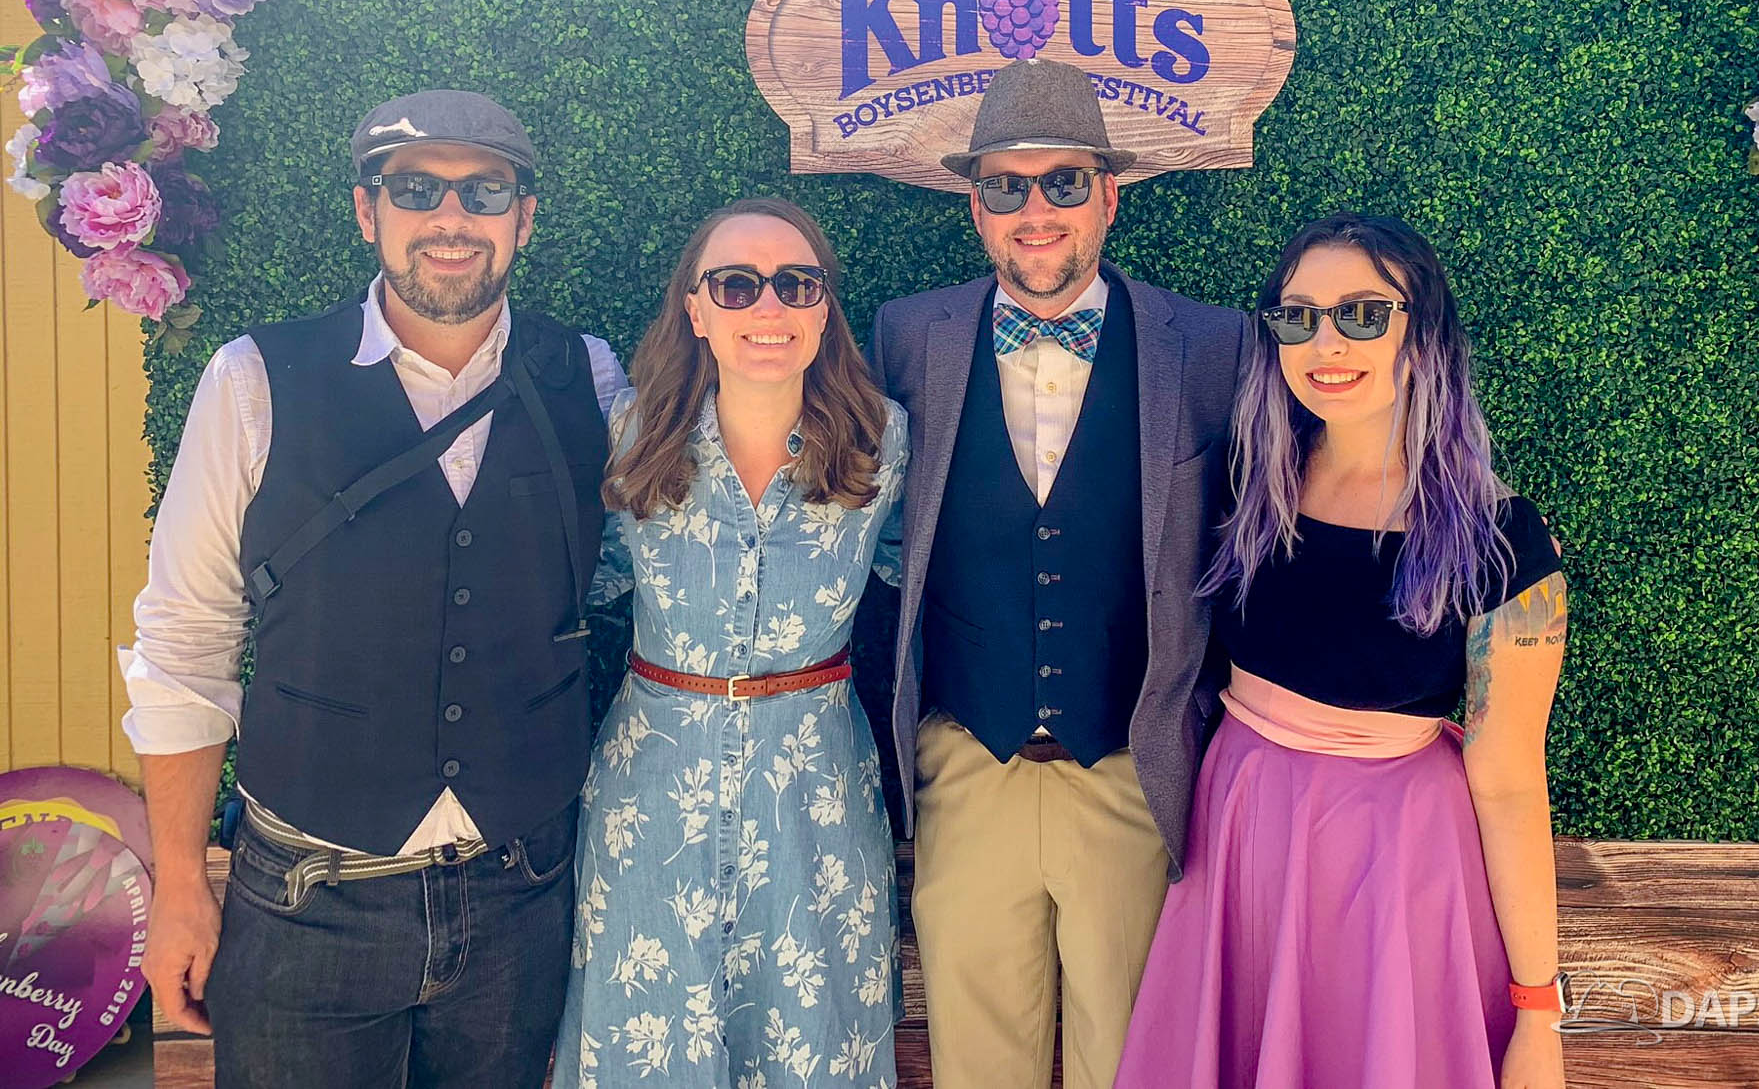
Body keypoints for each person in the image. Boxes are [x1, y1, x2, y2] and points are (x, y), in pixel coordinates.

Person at [124, 90, 627, 1088]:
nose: (452, 218)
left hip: (520, 897)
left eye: (484, 192)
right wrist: (180, 885)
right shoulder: (254, 379)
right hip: (307, 905)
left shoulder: (593, 377)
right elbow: (185, 638)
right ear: (368, 211)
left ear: (524, 217)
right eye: (417, 190)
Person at [1113, 213, 1570, 1089]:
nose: (1326, 343)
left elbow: (1510, 782)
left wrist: (1537, 1012)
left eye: (1362, 313)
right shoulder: (1245, 485)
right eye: (1298, 317)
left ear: (1422, 331)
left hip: (1396, 863)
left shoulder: (1500, 542)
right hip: (1240, 832)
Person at [867, 58, 1252, 1089]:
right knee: (974, 1064)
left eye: (1063, 182)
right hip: (965, 766)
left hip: (1128, 771)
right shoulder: (906, 336)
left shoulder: (1208, 345)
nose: (1034, 211)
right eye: (1005, 186)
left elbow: (1258, 541)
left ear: (1108, 196)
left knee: (1129, 1064)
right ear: (975, 208)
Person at [552, 197, 908, 1089]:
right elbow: (572, 586)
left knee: (815, 1043)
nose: (768, 306)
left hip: (816, 794)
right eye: (737, 285)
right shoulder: (631, 436)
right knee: (645, 1048)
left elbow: (928, 577)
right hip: (651, 791)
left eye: (796, 284)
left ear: (823, 309)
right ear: (696, 310)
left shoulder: (883, 440)